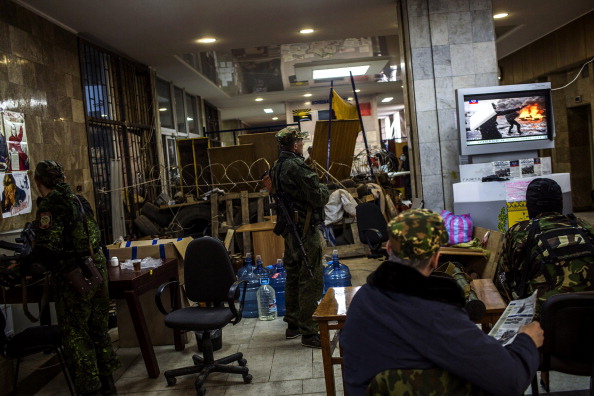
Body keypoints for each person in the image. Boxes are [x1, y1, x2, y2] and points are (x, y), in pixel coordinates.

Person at [341, 209, 543, 395]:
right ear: (435, 258)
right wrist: (527, 341)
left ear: (387, 248)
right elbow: (510, 379)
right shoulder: (433, 312)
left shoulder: (363, 299)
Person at [22, 161, 120, 396]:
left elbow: (48, 249)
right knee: (98, 330)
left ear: (38, 182)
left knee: (77, 338)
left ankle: (90, 391)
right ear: (62, 179)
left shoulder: (51, 205)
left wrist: (22, 268)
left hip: (73, 278)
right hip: (96, 271)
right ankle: (108, 386)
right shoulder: (79, 200)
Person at [264, 126, 329, 348]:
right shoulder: (296, 166)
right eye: (300, 142)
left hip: (290, 231)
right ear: (294, 145)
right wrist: (323, 186)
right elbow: (319, 197)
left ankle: (293, 324)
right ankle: (309, 332)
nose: (302, 145)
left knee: (293, 274)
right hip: (304, 230)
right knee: (311, 277)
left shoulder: (276, 166)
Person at [494, 178, 594, 311]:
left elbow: (503, 280)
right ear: (560, 203)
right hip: (588, 314)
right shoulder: (585, 227)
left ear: (528, 205)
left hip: (542, 320)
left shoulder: (519, 232)